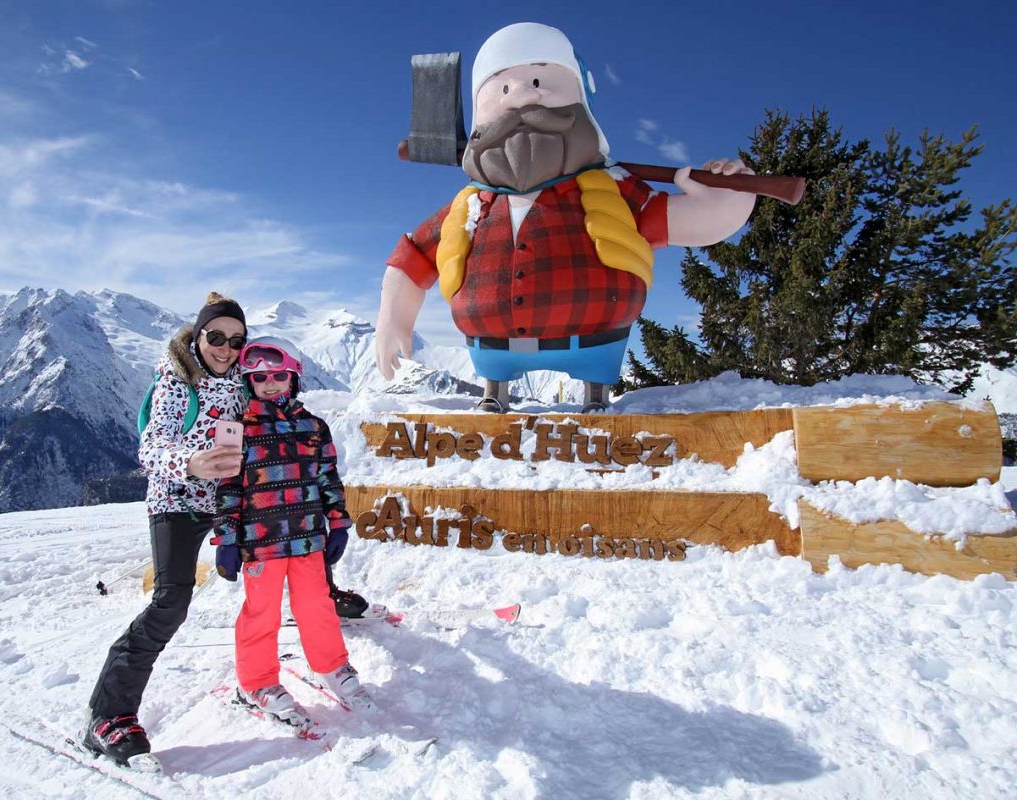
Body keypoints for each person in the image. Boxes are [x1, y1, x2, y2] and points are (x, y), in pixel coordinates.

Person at [375, 22, 757, 412]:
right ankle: (495, 394)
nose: (523, 97)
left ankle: (595, 395)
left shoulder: (611, 189)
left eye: (539, 81)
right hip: (493, 345)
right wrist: (393, 318)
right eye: (504, 90)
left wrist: (729, 196)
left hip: (595, 339)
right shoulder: (470, 206)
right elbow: (413, 258)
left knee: (595, 370)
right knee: (495, 372)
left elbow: (680, 219)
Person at [83, 292, 248, 769]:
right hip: (176, 500)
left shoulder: (242, 378)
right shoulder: (178, 381)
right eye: (215, 337)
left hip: (226, 499)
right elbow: (150, 449)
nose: (225, 348)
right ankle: (107, 715)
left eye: (235, 341)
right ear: (197, 337)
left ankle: (326, 602)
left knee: (285, 542)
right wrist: (192, 463)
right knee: (171, 600)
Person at [213, 336, 373, 727]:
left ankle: (332, 667)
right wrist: (227, 539)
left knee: (316, 606)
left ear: (294, 377)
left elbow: (327, 478)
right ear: (248, 381)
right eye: (260, 377)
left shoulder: (314, 427)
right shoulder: (235, 430)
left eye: (278, 376)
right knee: (261, 613)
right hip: (260, 543)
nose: (270, 384)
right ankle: (258, 682)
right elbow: (227, 488)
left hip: (306, 538)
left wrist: (338, 522)